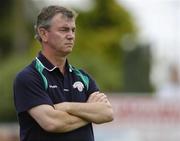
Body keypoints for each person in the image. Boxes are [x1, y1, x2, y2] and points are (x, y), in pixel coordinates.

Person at [13, 5, 114, 141]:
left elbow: (107, 113)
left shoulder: (83, 77)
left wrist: (66, 106)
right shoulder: (28, 77)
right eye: (64, 30)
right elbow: (52, 123)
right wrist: (90, 111)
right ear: (43, 34)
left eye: (73, 30)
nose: (71, 36)